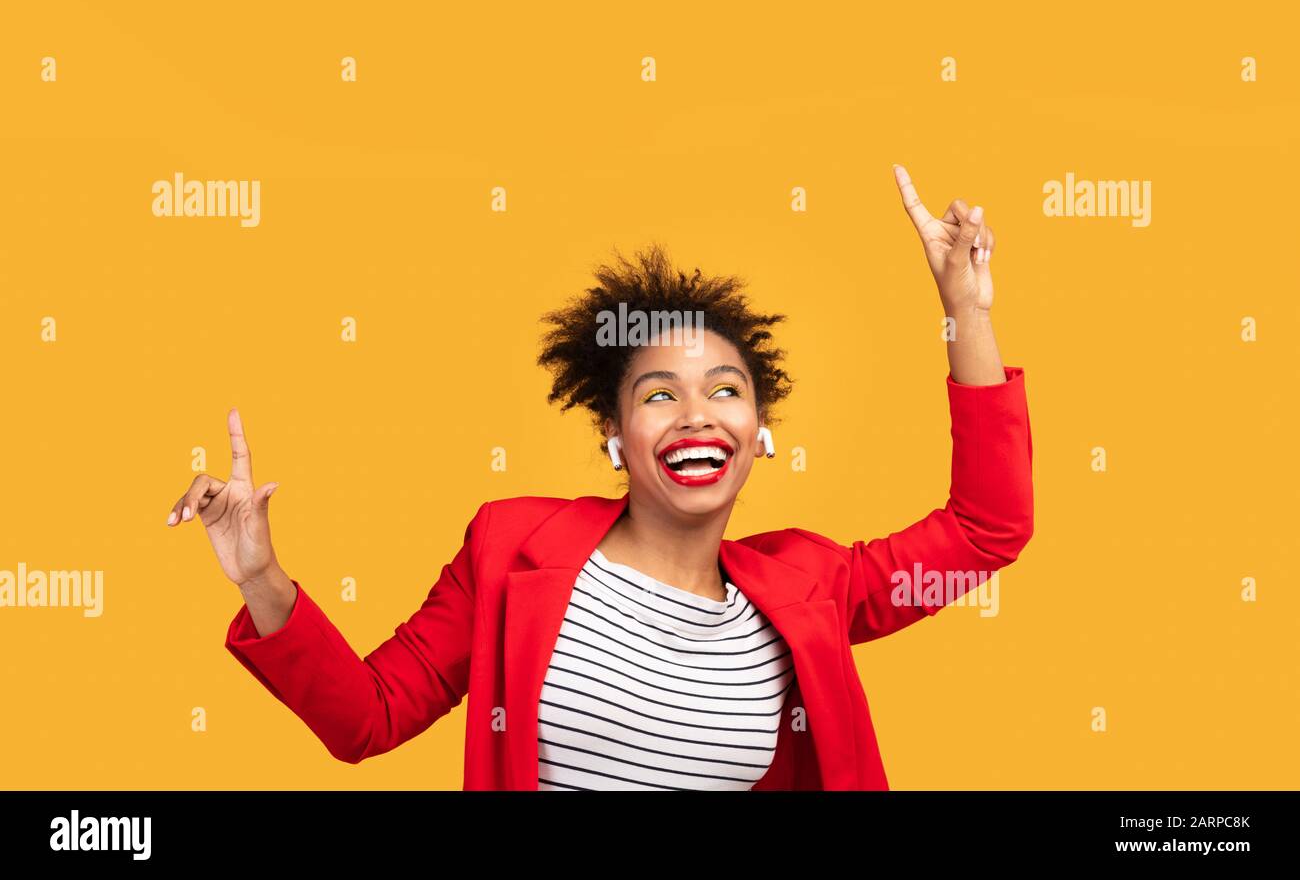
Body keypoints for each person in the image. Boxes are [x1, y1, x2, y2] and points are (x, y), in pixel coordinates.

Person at [164, 165, 1033, 790]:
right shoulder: (512, 547)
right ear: (616, 436)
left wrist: (964, 311)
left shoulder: (812, 584)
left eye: (726, 391)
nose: (697, 413)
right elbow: (368, 717)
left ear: (759, 433)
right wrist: (260, 578)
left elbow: (986, 530)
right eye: (660, 395)